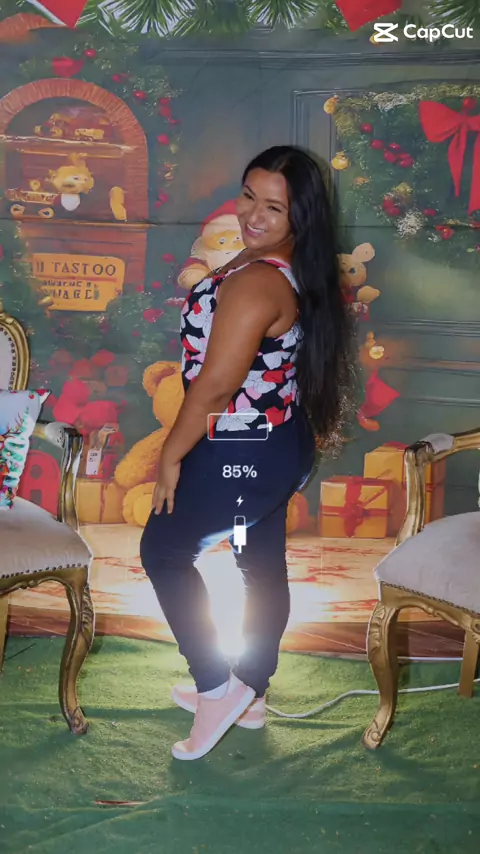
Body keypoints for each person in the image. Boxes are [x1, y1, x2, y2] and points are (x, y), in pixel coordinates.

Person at [140, 145, 356, 761]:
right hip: (274, 443)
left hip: (243, 450)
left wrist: (170, 457)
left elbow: (214, 386)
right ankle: (251, 694)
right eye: (248, 196)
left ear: (300, 217)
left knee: (164, 551)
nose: (253, 216)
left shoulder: (260, 281)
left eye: (274, 208)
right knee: (257, 562)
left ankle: (217, 689)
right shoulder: (275, 261)